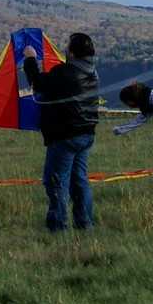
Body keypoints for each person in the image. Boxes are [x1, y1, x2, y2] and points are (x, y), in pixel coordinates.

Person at [22, 32, 101, 232]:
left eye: (67, 46)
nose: (65, 49)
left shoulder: (67, 72)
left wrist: (30, 59)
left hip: (65, 135)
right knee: (79, 181)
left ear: (73, 52)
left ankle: (58, 227)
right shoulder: (92, 72)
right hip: (86, 133)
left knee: (56, 181)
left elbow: (38, 83)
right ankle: (84, 224)